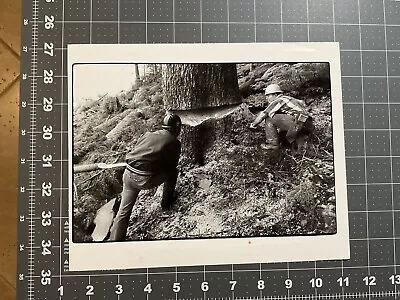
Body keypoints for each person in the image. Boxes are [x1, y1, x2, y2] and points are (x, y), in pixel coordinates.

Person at [108, 113, 182, 241]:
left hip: (128, 175)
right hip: (144, 180)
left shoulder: (148, 134)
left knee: (124, 211)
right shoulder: (173, 142)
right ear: (177, 128)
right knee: (173, 173)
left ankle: (115, 240)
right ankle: (166, 203)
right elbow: (171, 166)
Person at [250, 84, 314, 153]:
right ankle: (293, 143)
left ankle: (272, 144)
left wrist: (253, 125)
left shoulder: (278, 101)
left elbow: (263, 115)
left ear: (275, 94)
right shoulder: (288, 98)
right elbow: (302, 103)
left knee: (269, 118)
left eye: (268, 95)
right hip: (308, 124)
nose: (267, 98)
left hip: (299, 123)